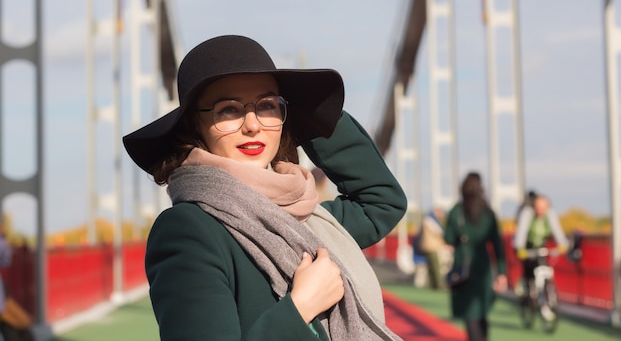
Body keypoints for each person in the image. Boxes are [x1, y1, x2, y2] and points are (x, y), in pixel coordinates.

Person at [122, 35, 407, 341]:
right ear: (194, 126)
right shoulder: (187, 229)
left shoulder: (302, 218)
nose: (253, 124)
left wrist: (313, 115)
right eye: (228, 109)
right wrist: (300, 308)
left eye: (267, 106)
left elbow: (380, 201)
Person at [444, 172, 507, 341]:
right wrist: (501, 272)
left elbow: (448, 238)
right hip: (483, 266)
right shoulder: (488, 213)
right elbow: (497, 244)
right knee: (481, 311)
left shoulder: (456, 212)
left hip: (462, 266)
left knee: (470, 313)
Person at [513, 193, 568, 301]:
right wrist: (520, 248)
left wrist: (563, 244)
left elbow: (557, 230)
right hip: (527, 245)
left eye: (543, 208)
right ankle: (526, 287)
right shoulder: (528, 213)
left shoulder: (550, 214)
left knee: (544, 264)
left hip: (541, 245)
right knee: (529, 267)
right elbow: (521, 232)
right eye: (538, 208)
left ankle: (546, 294)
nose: (540, 211)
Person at [412, 207, 447, 289]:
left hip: (428, 246)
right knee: (436, 267)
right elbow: (439, 232)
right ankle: (439, 285)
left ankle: (433, 285)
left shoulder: (428, 219)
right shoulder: (430, 220)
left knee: (431, 266)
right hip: (431, 246)